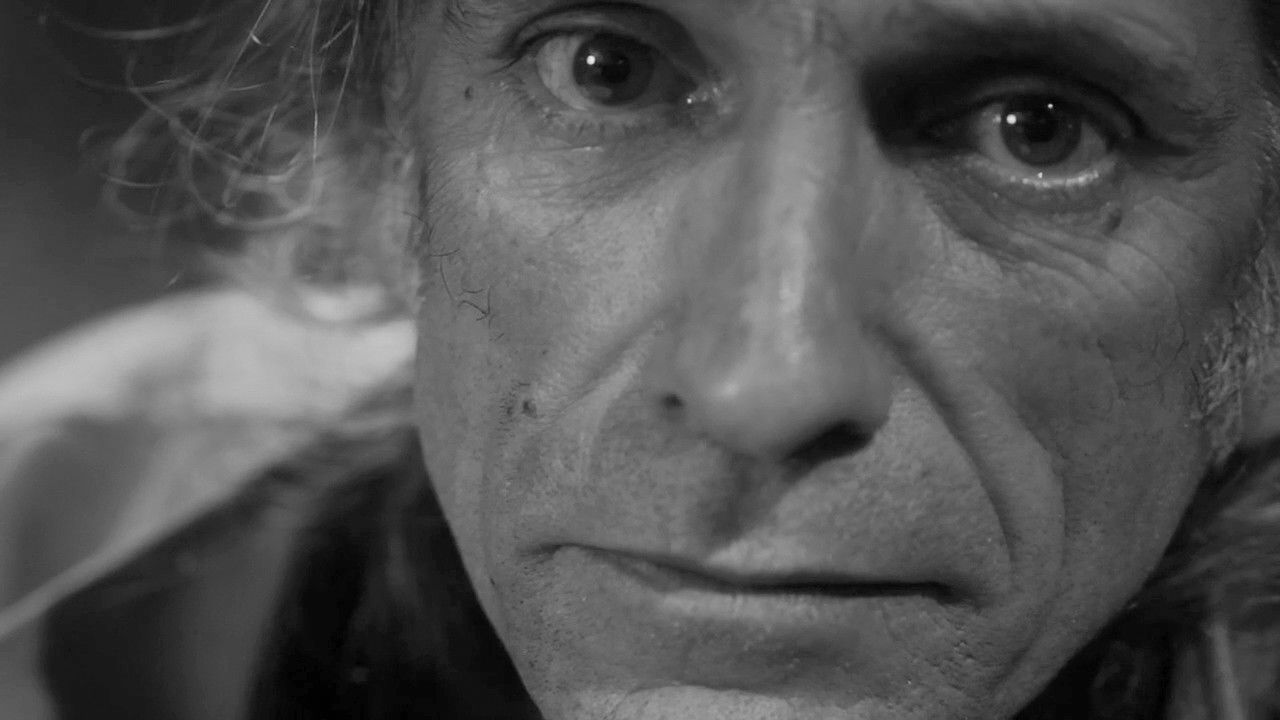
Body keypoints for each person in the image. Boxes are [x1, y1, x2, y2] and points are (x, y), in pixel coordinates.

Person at [2, 0, 1280, 718]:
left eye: (1036, 130)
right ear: (381, 167)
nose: (764, 384)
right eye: (605, 73)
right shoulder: (46, 538)